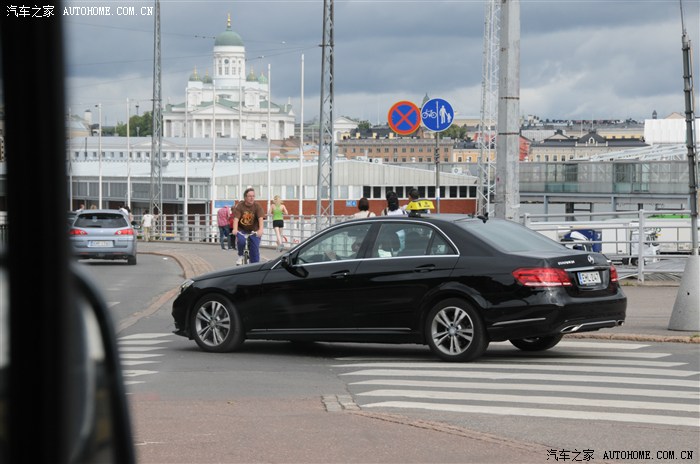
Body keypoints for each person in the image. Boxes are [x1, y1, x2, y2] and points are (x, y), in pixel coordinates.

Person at [231, 187, 265, 265]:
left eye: (253, 196)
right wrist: (235, 229)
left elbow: (260, 218)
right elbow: (236, 219)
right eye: (249, 196)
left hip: (254, 230)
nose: (252, 198)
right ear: (245, 197)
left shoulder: (257, 206)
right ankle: (240, 255)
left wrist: (260, 230)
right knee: (241, 241)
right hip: (242, 229)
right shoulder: (240, 206)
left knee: (255, 250)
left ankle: (254, 266)